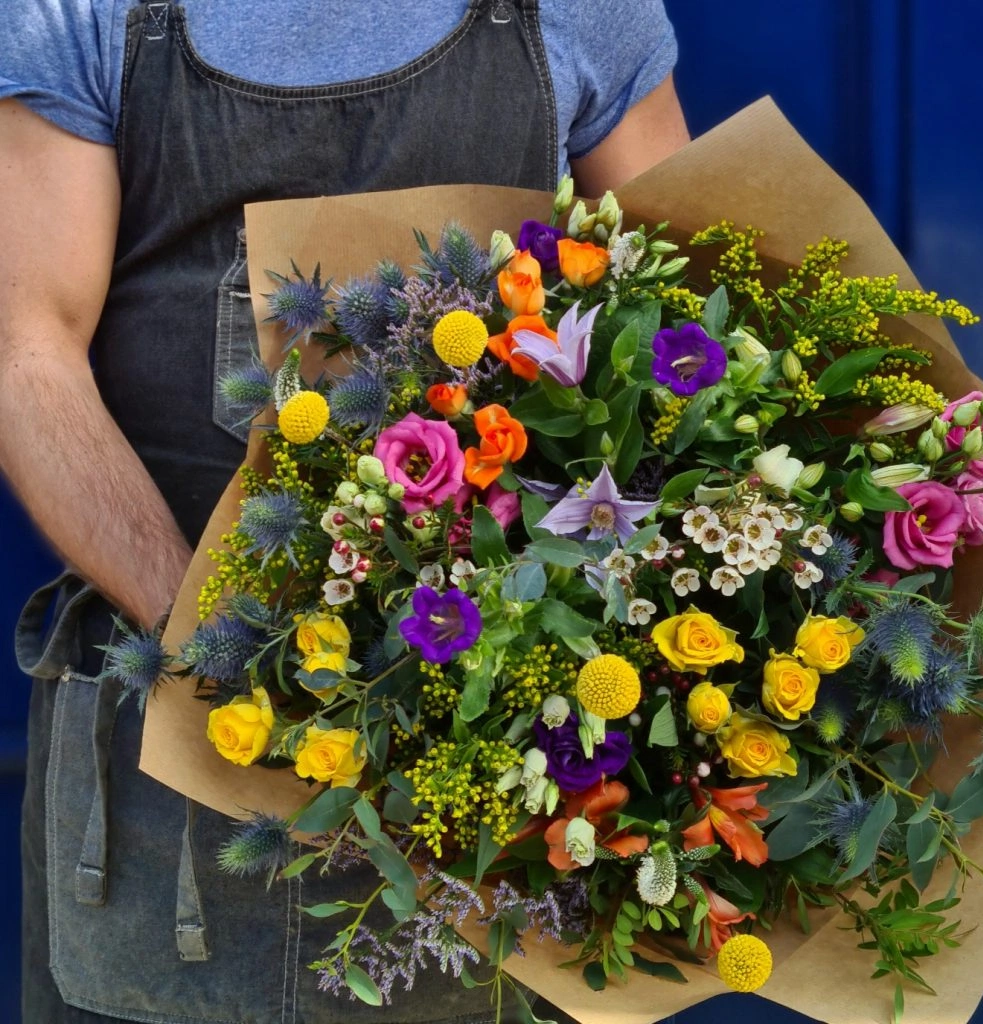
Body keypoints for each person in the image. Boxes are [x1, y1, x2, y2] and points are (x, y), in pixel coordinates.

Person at [0, 2, 690, 1021]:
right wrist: (216, 646)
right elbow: (26, 352)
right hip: (172, 771)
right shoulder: (89, 13)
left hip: (484, 775)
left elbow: (684, 315)